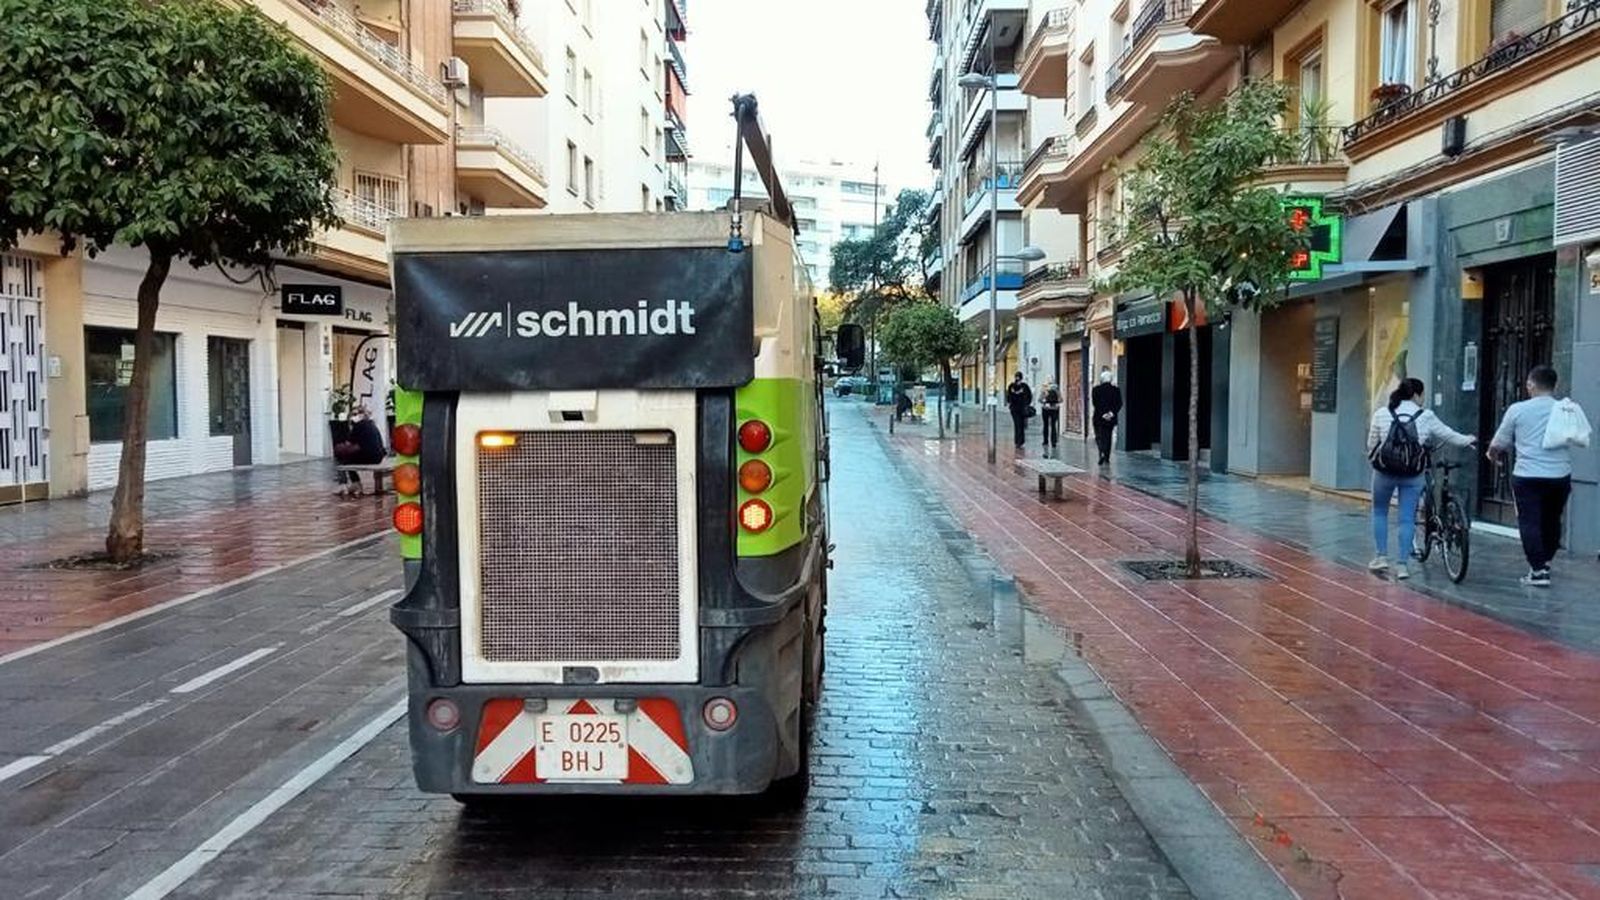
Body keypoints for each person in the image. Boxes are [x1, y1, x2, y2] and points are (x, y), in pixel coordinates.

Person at [1366, 377, 1475, 580]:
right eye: (1422, 394)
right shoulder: (1426, 416)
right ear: (1416, 395)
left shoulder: (1382, 413)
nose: (1423, 398)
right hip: (1413, 474)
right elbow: (1448, 434)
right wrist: (1468, 440)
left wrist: (1375, 460)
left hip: (1384, 473)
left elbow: (1372, 443)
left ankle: (1381, 557)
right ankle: (1402, 566)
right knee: (1407, 518)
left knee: (1380, 512)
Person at [1488, 365, 1573, 587]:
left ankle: (1538, 570)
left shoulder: (1517, 410)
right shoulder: (1565, 409)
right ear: (1555, 385)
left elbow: (1499, 442)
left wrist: (1492, 455)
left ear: (1531, 385)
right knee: (1552, 518)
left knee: (1529, 521)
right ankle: (1546, 561)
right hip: (1560, 475)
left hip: (1528, 476)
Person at [334, 405, 388, 497]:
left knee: (341, 456)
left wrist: (339, 447)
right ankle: (355, 483)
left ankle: (346, 484)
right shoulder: (371, 424)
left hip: (369, 457)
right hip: (378, 457)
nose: (353, 417)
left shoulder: (359, 426)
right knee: (346, 456)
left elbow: (348, 444)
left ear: (362, 415)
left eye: (355, 414)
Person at [1090, 368, 1122, 466]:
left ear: (1102, 379)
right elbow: (1119, 403)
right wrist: (1111, 413)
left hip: (1098, 417)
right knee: (1108, 436)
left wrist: (1103, 414)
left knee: (1099, 436)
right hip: (1111, 418)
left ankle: (1102, 452)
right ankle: (1107, 457)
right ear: (1111, 379)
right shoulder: (1116, 390)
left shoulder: (1096, 389)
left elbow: (1095, 403)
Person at [1005, 373, 1033, 451]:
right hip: (1016, 409)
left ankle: (1019, 441)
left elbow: (1029, 396)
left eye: (1018, 377)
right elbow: (1009, 397)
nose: (1018, 379)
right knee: (1018, 424)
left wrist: (1026, 404)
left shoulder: (1023, 386)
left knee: (1020, 425)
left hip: (1021, 409)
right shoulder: (1012, 386)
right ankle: (1019, 441)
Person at [1040, 380, 1062, 455]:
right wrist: (1056, 403)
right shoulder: (1057, 391)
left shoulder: (1044, 390)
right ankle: (1053, 442)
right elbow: (1061, 400)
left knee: (1045, 425)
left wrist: (1045, 402)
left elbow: (1040, 399)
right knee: (1053, 425)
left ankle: (1045, 441)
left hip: (1045, 409)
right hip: (1054, 410)